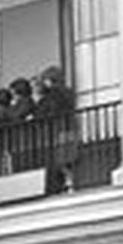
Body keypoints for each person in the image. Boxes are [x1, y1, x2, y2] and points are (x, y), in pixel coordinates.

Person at [34, 64, 77, 195]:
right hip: (71, 126)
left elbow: (49, 111)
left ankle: (67, 182)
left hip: (59, 128)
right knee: (68, 157)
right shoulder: (69, 92)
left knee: (60, 158)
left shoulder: (53, 95)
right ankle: (70, 182)